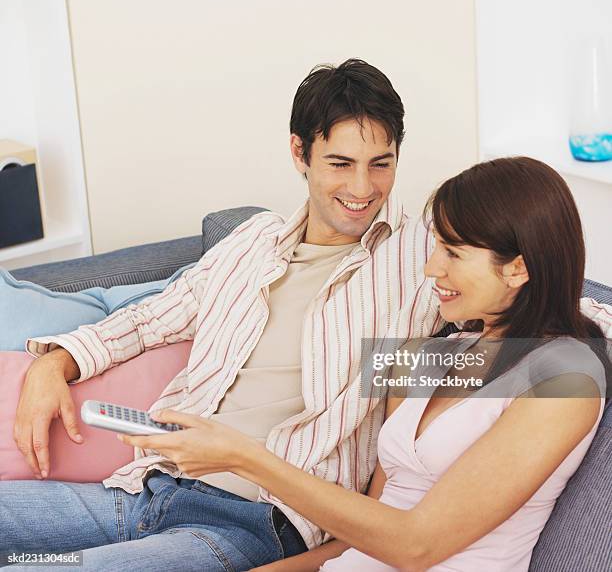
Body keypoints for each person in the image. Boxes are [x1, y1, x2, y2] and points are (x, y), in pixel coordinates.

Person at [2, 59, 443, 570]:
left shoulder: (423, 260)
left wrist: (426, 372)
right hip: (149, 489)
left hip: (257, 523)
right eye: (341, 164)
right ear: (300, 152)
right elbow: (150, 319)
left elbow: (531, 349)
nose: (363, 189)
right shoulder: (253, 242)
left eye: (381, 164)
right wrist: (54, 363)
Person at [115, 157, 609, 571]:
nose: (432, 268)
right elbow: (360, 532)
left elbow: (416, 545)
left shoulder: (566, 377)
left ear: (519, 267)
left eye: (453, 253)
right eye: (436, 246)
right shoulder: (433, 352)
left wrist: (244, 457)